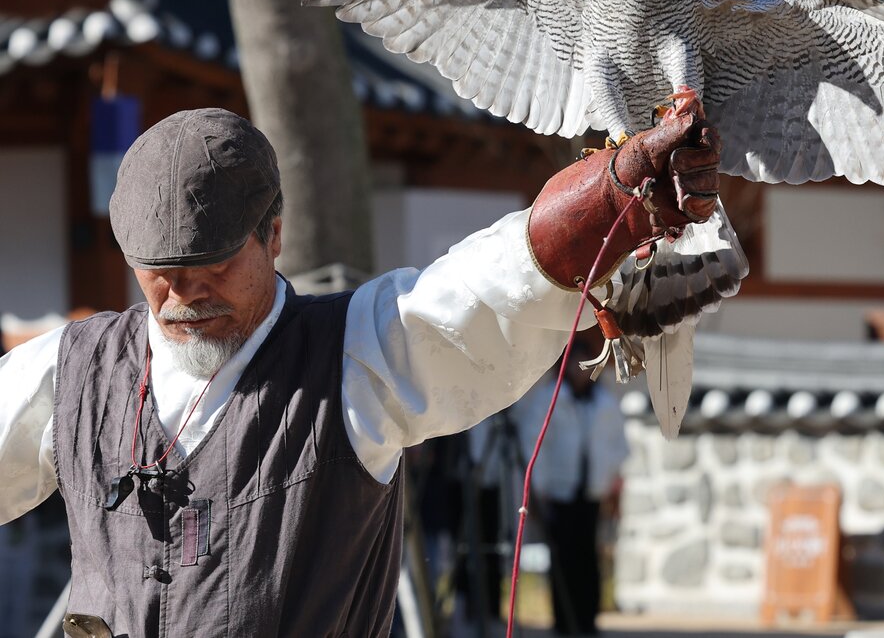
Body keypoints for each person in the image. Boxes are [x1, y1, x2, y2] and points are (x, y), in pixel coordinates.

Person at [0, 106, 718, 636]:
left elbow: (467, 301)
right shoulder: (71, 373)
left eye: (214, 264)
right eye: (159, 271)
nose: (183, 295)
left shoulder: (353, 353)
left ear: (273, 235)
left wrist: (612, 199)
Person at [515, 341, 629, 635]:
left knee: (589, 556)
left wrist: (611, 484)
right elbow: (534, 444)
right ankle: (564, 622)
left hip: (591, 492)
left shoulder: (604, 402)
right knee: (563, 558)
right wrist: (538, 489)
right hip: (558, 493)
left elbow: (617, 446)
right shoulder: (549, 399)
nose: (581, 372)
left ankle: (588, 619)